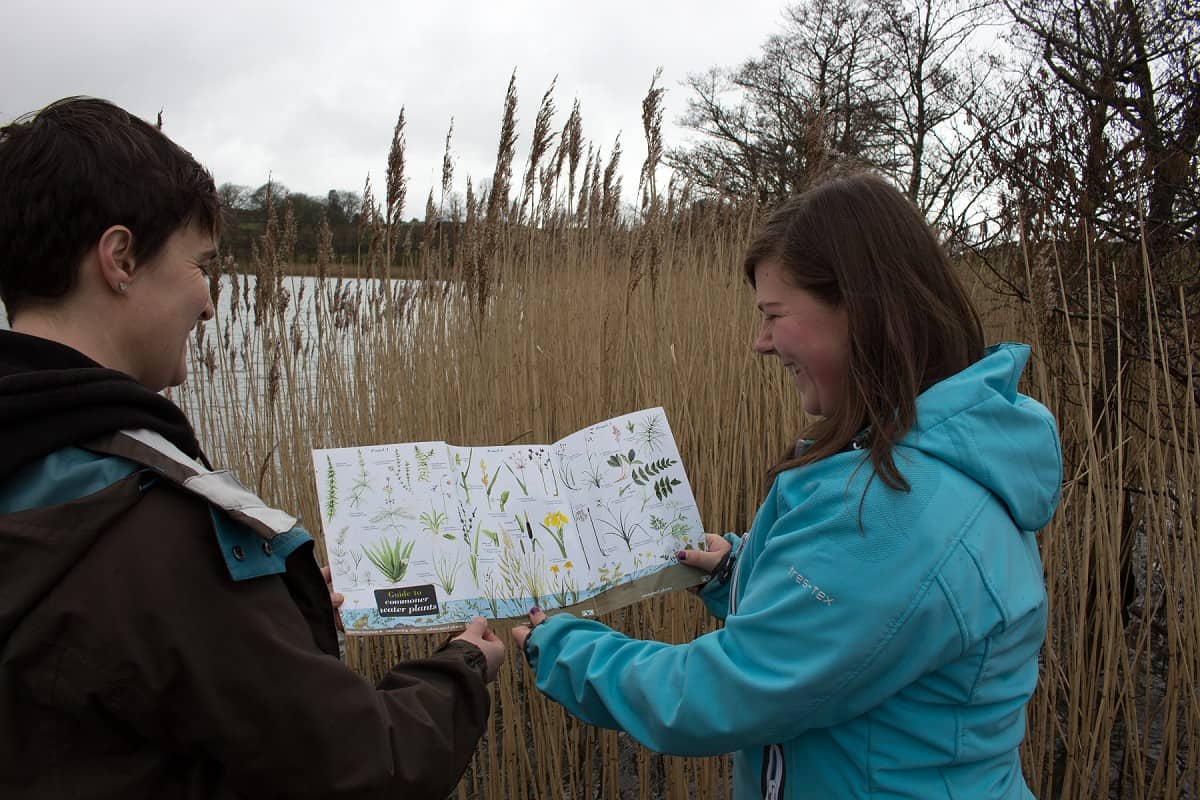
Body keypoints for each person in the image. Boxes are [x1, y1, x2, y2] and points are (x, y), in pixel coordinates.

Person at [0, 96, 505, 799]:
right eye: (200, 264)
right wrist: (464, 667)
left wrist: (273, 617)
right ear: (119, 259)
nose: (209, 304)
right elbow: (359, 767)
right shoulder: (152, 528)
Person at [513, 172, 1061, 799]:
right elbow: (862, 620)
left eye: (775, 315)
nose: (761, 343)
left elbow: (721, 693)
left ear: (859, 307)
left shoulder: (897, 508)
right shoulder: (920, 462)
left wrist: (563, 646)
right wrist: (740, 573)